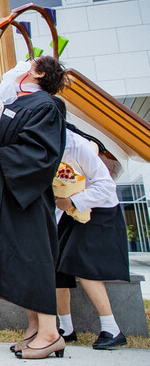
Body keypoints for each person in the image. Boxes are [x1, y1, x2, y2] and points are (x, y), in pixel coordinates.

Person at [0, 31, 69, 359]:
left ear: (38, 73)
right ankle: (34, 328)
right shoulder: (13, 103)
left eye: (28, 63)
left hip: (27, 198)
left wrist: (0, 154)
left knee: (33, 261)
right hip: (7, 194)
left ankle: (51, 333)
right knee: (18, 262)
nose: (18, 66)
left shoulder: (47, 105)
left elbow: (43, 152)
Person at [52, 98, 129, 350]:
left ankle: (112, 329)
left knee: (82, 264)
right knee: (56, 266)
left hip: (100, 209)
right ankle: (66, 328)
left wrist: (73, 199)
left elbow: (106, 186)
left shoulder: (79, 145)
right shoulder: (44, 143)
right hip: (70, 211)